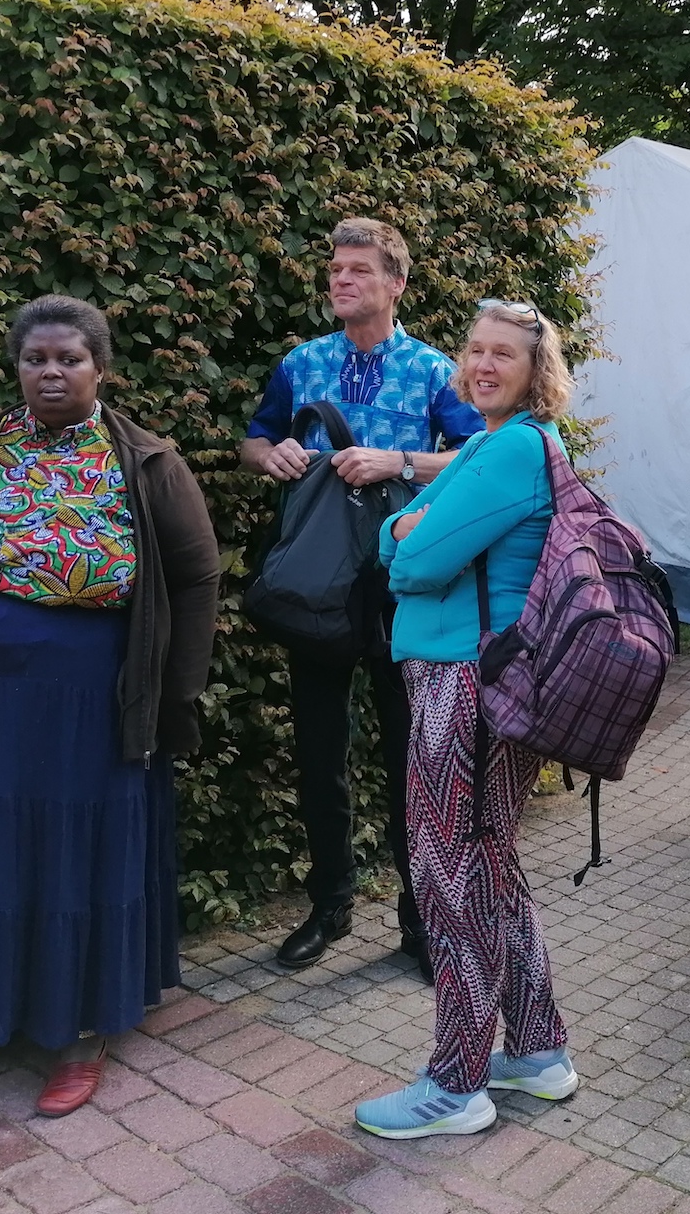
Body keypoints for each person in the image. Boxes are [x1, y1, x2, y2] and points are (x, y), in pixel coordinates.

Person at [0, 296, 220, 1117]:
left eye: (69, 359)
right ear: (16, 367)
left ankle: (79, 1032)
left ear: (100, 368)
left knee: (73, 851)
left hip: (83, 704)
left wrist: (172, 694)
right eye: (36, 359)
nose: (51, 372)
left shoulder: (145, 461)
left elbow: (197, 575)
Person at [354, 298, 578, 1140]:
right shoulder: (492, 443)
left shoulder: (514, 446)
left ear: (534, 372)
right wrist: (407, 531)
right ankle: (538, 1052)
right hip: (477, 677)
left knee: (449, 876)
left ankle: (456, 1085)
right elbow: (405, 539)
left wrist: (404, 532)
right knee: (488, 869)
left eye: (503, 355)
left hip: (467, 683)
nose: (483, 365)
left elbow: (410, 560)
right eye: (475, 350)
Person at [242, 218, 483, 976]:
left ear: (395, 284)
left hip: (400, 582)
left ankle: (419, 917)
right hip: (318, 581)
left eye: (358, 270)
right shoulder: (302, 362)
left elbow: (476, 458)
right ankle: (331, 905)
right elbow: (253, 438)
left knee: (409, 753)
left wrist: (397, 461)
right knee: (319, 752)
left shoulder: (434, 370)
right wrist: (271, 454)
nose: (341, 280)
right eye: (335, 269)